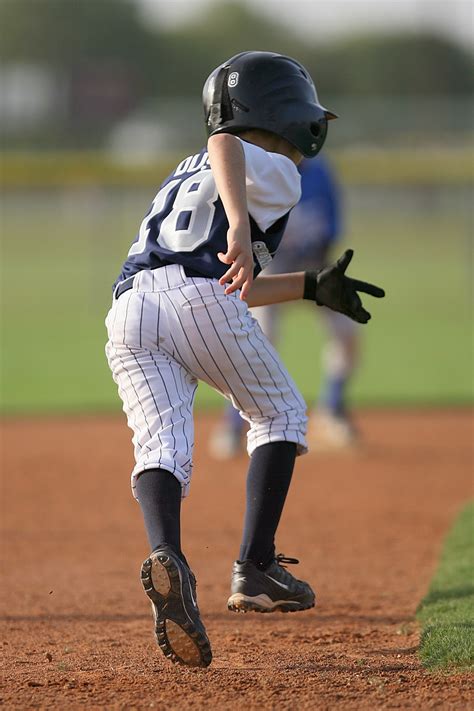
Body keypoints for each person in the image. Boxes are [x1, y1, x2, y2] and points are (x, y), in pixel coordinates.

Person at [105, 51, 384, 669]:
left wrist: (309, 286)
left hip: (130, 308)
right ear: (285, 113)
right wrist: (239, 225)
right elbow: (226, 141)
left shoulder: (184, 170)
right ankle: (256, 568)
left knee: (160, 448)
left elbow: (229, 278)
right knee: (281, 414)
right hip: (195, 297)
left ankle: (167, 557)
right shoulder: (275, 167)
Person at [210, 156, 360, 458]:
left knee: (347, 332)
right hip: (273, 270)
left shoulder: (319, 172)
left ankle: (333, 409)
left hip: (315, 267)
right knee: (254, 341)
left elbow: (331, 227)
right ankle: (232, 425)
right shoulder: (263, 172)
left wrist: (323, 271)